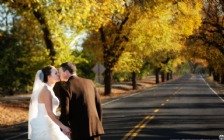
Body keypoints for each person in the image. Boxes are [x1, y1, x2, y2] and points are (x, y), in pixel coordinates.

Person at [57, 62, 105, 140]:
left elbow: (65, 110)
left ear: (66, 72)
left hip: (79, 130)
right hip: (95, 127)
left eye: (60, 72)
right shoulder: (90, 82)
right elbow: (98, 105)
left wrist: (64, 127)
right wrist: (99, 123)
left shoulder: (65, 86)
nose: (59, 74)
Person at [28, 66, 70, 140]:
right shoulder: (46, 91)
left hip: (51, 123)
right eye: (56, 73)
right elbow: (49, 112)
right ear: (49, 76)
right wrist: (63, 127)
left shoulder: (48, 89)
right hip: (45, 126)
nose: (59, 74)